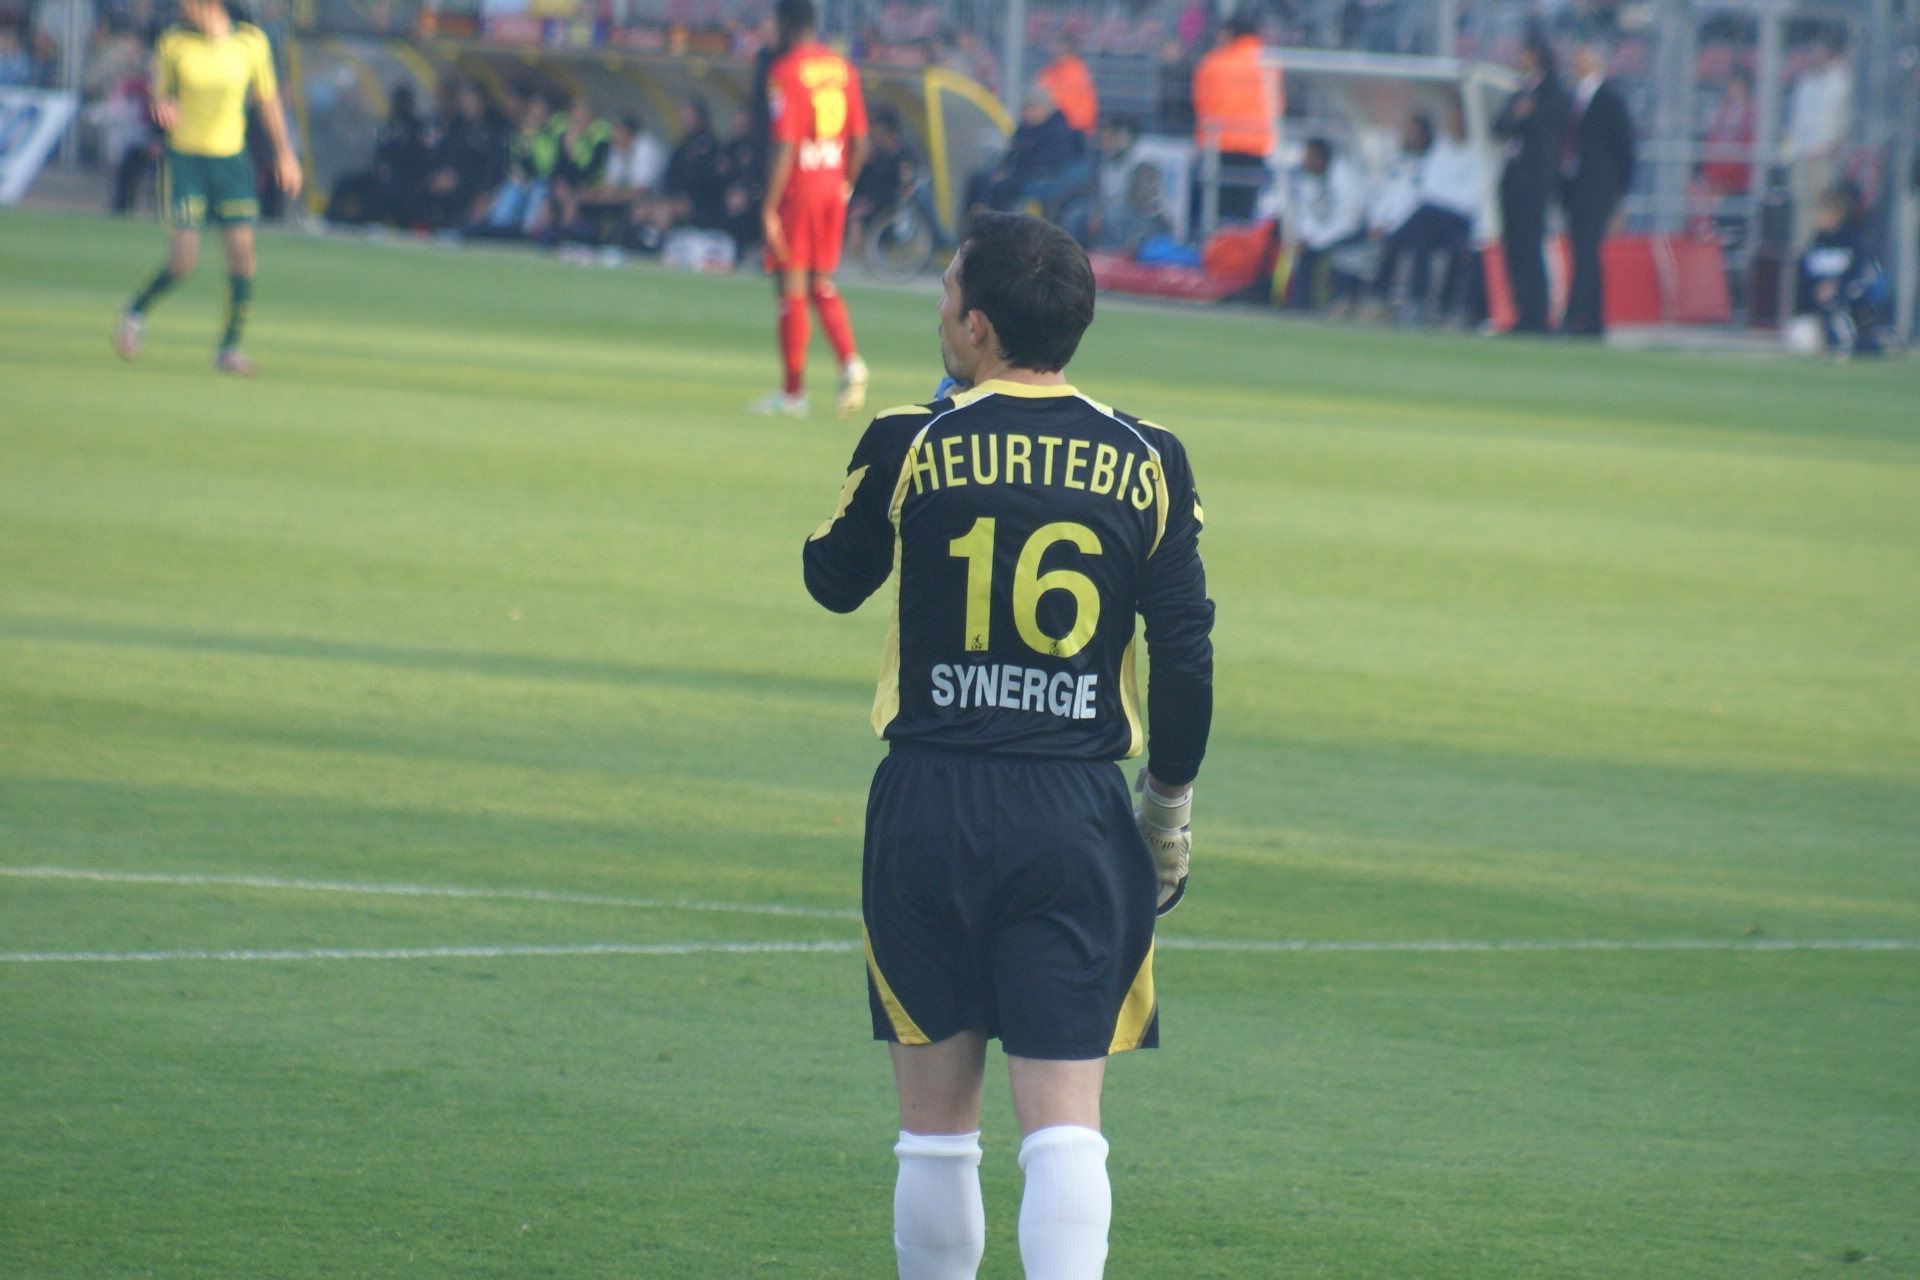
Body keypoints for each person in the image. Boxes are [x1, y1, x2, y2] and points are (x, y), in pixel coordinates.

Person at [801, 210, 1213, 1280]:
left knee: (934, 1132)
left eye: (946, 294)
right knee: (1064, 1123)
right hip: (1073, 810)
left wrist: (919, 441)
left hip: (929, 801)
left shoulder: (912, 440)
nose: (939, 309)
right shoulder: (1148, 457)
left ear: (977, 326)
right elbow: (1185, 656)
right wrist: (1165, 814)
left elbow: (831, 579)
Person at [114, 0, 302, 375]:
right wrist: (162, 105)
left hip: (231, 162)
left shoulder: (251, 42)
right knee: (183, 262)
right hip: (185, 162)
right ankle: (134, 313)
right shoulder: (173, 42)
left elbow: (267, 99)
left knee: (242, 257)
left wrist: (285, 153)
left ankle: (229, 349)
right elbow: (159, 93)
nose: (181, 8)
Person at [752, 0, 870, 419]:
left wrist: (768, 207)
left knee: (791, 283)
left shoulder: (784, 71)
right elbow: (860, 141)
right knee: (818, 280)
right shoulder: (843, 68)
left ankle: (793, 394)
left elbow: (785, 143)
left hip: (799, 187)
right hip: (832, 184)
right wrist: (845, 184)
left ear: (785, 24)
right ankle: (850, 362)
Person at [1493, 32, 1569, 333]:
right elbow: (1499, 125)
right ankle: (1521, 311)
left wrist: (1522, 119)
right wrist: (1519, 117)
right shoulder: (1521, 90)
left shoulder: (1552, 90)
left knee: (1530, 244)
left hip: (1535, 180)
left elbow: (1546, 127)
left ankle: (1538, 313)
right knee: (1514, 246)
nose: (1518, 59)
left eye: (1523, 53)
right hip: (1513, 179)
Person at [1559, 41, 1635, 338]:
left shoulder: (1610, 100)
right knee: (1584, 252)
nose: (1573, 65)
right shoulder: (1573, 100)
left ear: (1595, 63)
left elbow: (1625, 149)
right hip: (1575, 189)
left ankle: (1572, 318)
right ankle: (1593, 321)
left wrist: (1620, 195)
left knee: (1586, 253)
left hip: (1599, 190)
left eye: (1579, 60)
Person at [1189, 9, 1282, 224]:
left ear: (1230, 33)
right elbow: (1276, 103)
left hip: (1220, 143)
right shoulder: (1270, 64)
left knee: (1217, 208)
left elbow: (1201, 101)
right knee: (1246, 209)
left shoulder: (1214, 63)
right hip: (1257, 144)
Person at [1795, 181, 1885, 357]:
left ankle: (1852, 341)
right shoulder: (1816, 243)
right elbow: (1806, 274)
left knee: (1837, 307)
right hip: (1820, 302)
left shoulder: (1852, 242)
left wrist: (1837, 287)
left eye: (1823, 212)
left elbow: (1858, 274)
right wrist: (1816, 290)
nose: (1818, 217)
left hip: (1846, 299)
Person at [965, 89, 1084, 215]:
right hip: (1018, 173)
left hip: (1039, 178)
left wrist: (1011, 174)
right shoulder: (1024, 129)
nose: (1026, 112)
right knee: (977, 181)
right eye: (1025, 108)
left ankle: (996, 223)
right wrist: (1003, 169)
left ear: (1045, 108)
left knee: (1001, 188)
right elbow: (1012, 153)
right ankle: (971, 221)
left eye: (1031, 108)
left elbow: (1049, 162)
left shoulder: (1058, 131)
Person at [1784, 35, 1851, 253]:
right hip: (1803, 155)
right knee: (1802, 209)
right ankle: (1803, 252)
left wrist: (1830, 149)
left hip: (1826, 157)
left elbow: (1844, 123)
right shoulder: (1805, 82)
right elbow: (1796, 121)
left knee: (1826, 207)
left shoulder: (1841, 81)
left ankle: (1826, 248)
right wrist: (1792, 153)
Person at [1284, 137, 1368, 310]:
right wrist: (1306, 237)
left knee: (1319, 253)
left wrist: (1316, 241)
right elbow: (1307, 213)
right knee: (1303, 254)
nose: (1304, 162)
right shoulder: (1310, 178)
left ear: (1320, 159)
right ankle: (1300, 306)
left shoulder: (1345, 179)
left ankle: (1332, 301)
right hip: (1324, 233)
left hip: (1351, 231)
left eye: (1308, 157)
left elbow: (1347, 220)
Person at [424, 82, 507, 231]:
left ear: (482, 103)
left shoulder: (495, 132)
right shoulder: (457, 128)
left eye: (471, 103)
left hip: (476, 188)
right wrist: (441, 176)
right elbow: (445, 156)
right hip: (453, 185)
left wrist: (463, 181)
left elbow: (493, 170)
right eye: (464, 103)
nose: (467, 107)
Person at [1036, 35, 1097, 136]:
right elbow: (1038, 95)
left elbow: (1068, 104)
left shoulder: (1076, 73)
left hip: (1073, 128)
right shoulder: (1048, 71)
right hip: (1051, 126)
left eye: (1061, 50)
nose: (1056, 53)